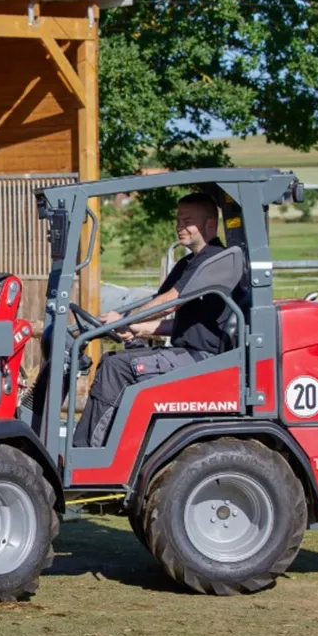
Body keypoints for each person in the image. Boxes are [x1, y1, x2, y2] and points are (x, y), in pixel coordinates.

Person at [76, 192, 237, 448]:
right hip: (187, 351)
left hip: (202, 359)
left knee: (115, 369)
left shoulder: (214, 260)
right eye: (178, 220)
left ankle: (88, 454)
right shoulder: (188, 262)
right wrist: (137, 328)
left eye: (187, 221)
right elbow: (175, 313)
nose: (179, 226)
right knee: (112, 360)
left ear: (209, 224)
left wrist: (125, 319)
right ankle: (106, 444)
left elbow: (168, 303)